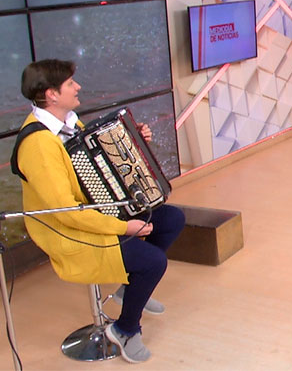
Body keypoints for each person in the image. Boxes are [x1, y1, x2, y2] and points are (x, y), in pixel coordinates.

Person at [14, 59, 185, 363]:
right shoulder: (38, 145)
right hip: (68, 230)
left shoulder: (70, 124)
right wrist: (124, 227)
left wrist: (133, 139)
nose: (77, 87)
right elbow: (66, 213)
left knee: (171, 219)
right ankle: (125, 329)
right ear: (51, 94)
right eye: (70, 83)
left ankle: (128, 290)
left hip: (97, 212)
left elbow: (100, 164)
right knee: (152, 262)